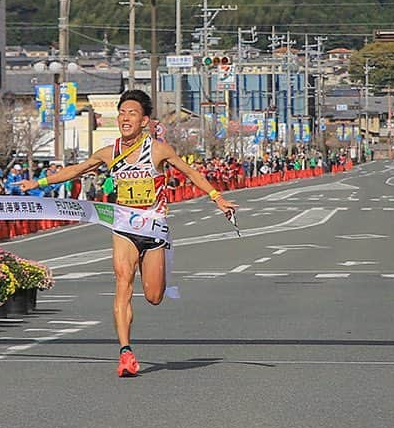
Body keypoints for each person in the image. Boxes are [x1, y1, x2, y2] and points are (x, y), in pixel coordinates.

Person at [19, 89, 237, 378]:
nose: (125, 117)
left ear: (145, 120)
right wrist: (38, 182)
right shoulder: (109, 153)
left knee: (154, 295)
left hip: (154, 228)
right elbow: (75, 170)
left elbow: (190, 173)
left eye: (132, 113)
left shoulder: (159, 150)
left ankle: (133, 336)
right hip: (123, 227)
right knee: (123, 282)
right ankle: (125, 351)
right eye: (122, 113)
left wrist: (216, 198)